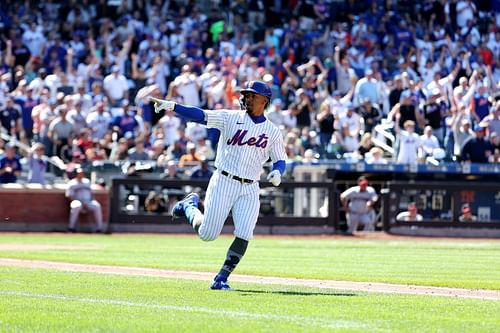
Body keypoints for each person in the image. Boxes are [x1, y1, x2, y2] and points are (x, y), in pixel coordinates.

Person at [150, 80, 287, 290]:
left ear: (264, 100)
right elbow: (200, 115)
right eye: (246, 95)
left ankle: (221, 278)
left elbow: (280, 158)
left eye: (252, 95)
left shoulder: (272, 131)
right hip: (224, 180)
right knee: (208, 234)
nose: (247, 98)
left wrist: (278, 171)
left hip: (250, 187)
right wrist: (173, 106)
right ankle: (189, 206)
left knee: (245, 233)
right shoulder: (230, 118)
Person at [65, 168, 104, 233]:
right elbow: (69, 195)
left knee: (97, 206)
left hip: (88, 201)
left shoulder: (87, 181)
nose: (81, 175)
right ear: (76, 174)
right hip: (76, 200)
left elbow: (92, 193)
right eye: (79, 173)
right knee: (76, 206)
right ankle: (71, 228)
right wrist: (81, 203)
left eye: (82, 173)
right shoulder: (72, 183)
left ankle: (99, 228)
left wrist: (90, 201)